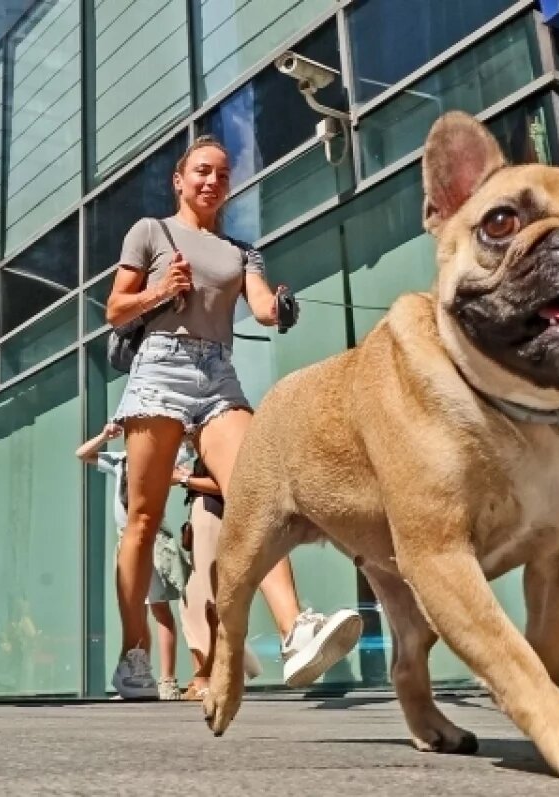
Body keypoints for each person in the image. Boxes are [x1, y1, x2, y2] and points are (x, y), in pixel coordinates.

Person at [103, 135, 361, 699]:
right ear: (180, 179)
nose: (211, 181)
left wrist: (280, 308)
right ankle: (134, 652)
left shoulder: (243, 251)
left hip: (218, 375)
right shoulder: (152, 232)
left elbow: (263, 305)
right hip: (160, 370)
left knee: (258, 492)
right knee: (144, 521)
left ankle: (296, 631)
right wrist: (157, 292)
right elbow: (115, 308)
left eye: (222, 174)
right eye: (201, 171)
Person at [77, 424, 188, 700]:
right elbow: (82, 454)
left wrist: (177, 432)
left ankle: (168, 680)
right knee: (135, 609)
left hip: (151, 538)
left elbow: (188, 449)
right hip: (125, 539)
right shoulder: (119, 460)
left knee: (159, 608)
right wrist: (104, 435)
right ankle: (140, 673)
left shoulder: (162, 456)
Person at [175, 454, 262, 700]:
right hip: (202, 514)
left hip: (212, 514)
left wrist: (184, 478)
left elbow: (225, 484)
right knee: (191, 603)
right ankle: (204, 675)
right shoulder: (204, 442)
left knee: (207, 600)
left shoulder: (220, 439)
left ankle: (213, 675)